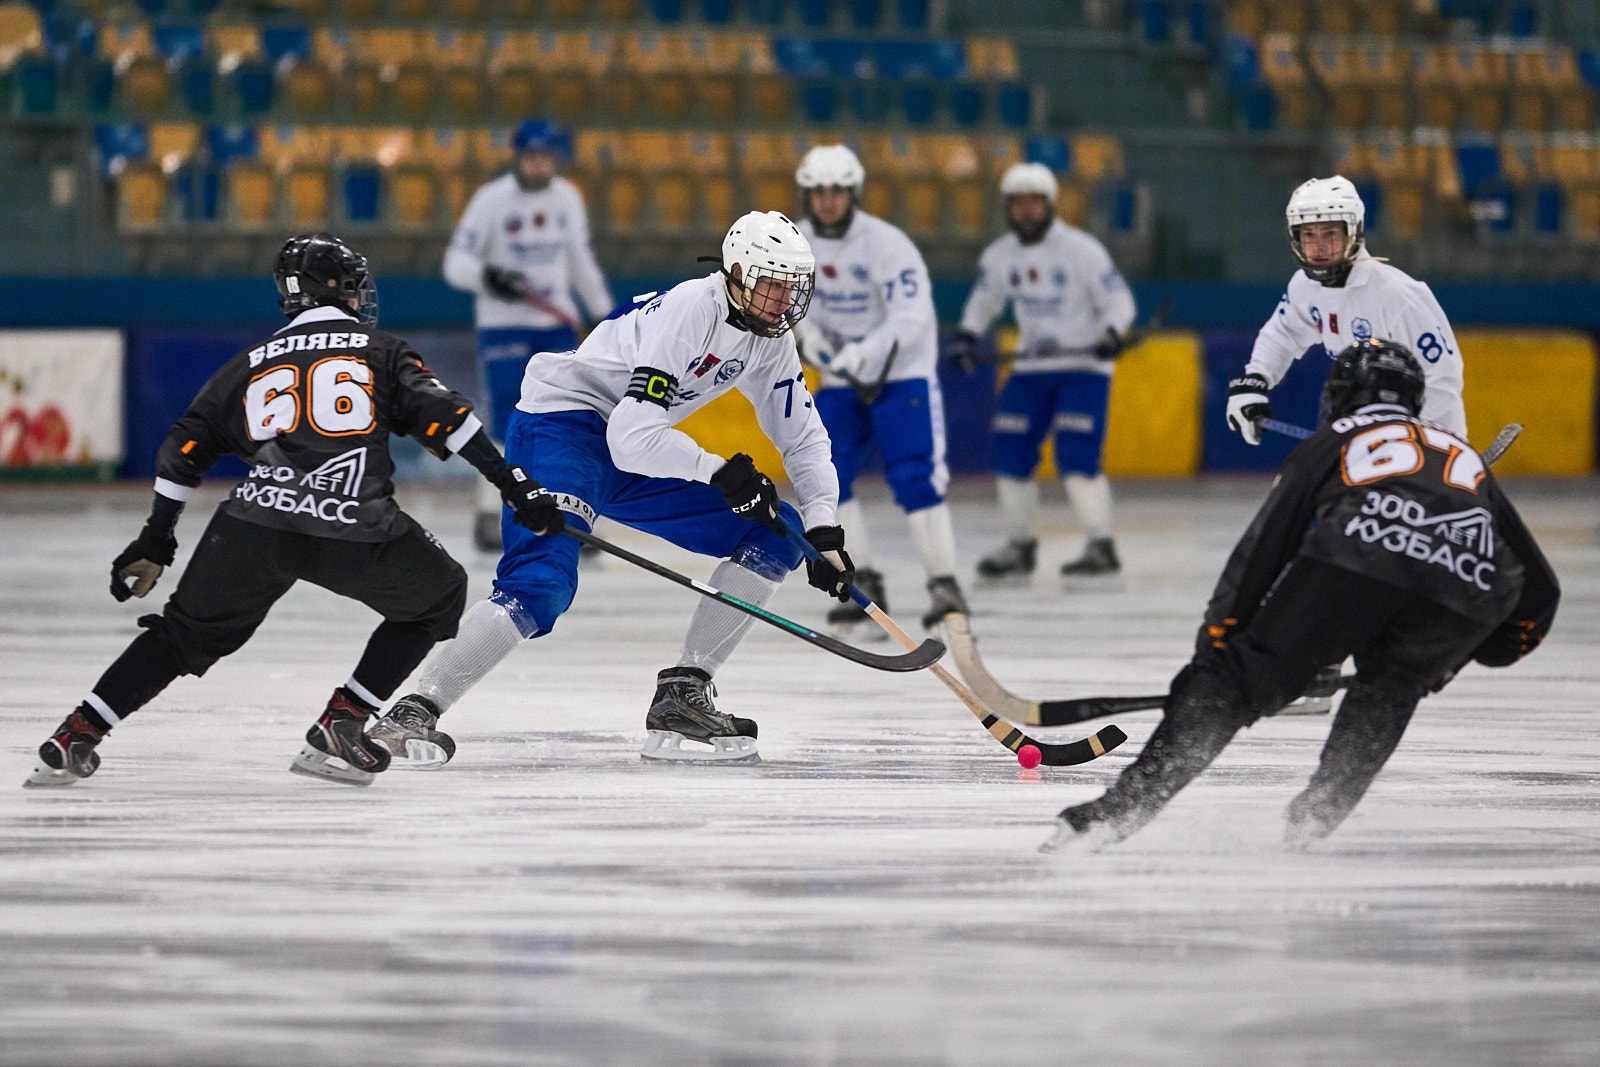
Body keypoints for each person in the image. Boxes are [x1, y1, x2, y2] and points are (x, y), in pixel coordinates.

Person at [25, 233, 566, 789]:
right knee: (441, 593)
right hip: (353, 522)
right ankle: (344, 722)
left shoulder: (248, 364)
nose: (362, 295)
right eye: (354, 285)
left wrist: (155, 540)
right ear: (337, 289)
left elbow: (182, 451)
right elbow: (452, 423)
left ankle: (74, 735)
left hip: (255, 523)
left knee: (180, 636)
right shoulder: (379, 349)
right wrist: (516, 487)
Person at [367, 210, 852, 766]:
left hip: (634, 442)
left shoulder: (770, 337)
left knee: (780, 536)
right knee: (541, 586)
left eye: (792, 288)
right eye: (772, 286)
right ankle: (416, 708)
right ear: (738, 274)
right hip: (564, 429)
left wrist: (824, 528)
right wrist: (722, 472)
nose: (784, 302)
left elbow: (805, 438)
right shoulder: (693, 310)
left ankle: (685, 690)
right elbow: (629, 435)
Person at [1042, 340, 1558, 851]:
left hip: (1358, 552)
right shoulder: (1461, 453)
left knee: (1230, 685)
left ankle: (1114, 815)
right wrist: (1478, 650)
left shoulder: (1336, 436)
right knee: (1390, 688)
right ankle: (1313, 824)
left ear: (1339, 395)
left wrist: (1220, 643)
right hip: (1466, 590)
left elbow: (1269, 542)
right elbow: (1540, 593)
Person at [791, 143, 969, 631]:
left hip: (900, 373)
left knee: (916, 477)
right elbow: (791, 299)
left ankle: (944, 582)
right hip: (842, 377)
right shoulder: (796, 241)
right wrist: (813, 341)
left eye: (837, 191)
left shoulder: (888, 243)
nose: (828, 200)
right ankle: (860, 578)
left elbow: (911, 316)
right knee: (829, 477)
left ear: (854, 193)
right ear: (807, 195)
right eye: (819, 192)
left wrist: (864, 353)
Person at [949, 162, 1138, 581]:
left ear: (1050, 205)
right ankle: (1019, 546)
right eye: (1018, 204)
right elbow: (983, 302)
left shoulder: (1082, 250)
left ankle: (1100, 544)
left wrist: (1111, 332)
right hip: (1031, 367)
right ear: (1008, 209)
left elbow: (1118, 301)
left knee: (1076, 455)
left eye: (1035, 203)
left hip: (1084, 367)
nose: (1027, 211)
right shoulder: (1000, 256)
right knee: (1010, 453)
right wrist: (966, 335)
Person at [444, 118, 615, 551]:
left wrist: (604, 316)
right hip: (503, 326)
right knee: (506, 418)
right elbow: (455, 262)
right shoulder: (491, 200)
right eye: (531, 158)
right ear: (518, 158)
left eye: (546, 158)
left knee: (569, 419)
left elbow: (580, 260)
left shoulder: (567, 198)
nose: (538, 166)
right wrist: (488, 277)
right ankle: (491, 512)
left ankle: (572, 511)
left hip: (554, 325)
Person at [1225, 176, 1467, 446]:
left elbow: (1444, 380)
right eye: (1308, 234)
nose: (1318, 246)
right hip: (1369, 447)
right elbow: (1283, 334)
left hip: (1430, 447)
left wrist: (1395, 434)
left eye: (1329, 233)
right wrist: (1255, 381)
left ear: (1354, 232)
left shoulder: (1398, 295)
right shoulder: (1305, 286)